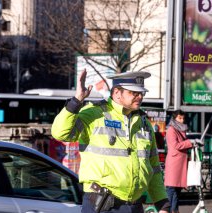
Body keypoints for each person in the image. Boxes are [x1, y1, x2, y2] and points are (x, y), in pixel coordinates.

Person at [51, 70, 170, 213]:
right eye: (134, 93)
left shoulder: (144, 123)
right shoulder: (94, 113)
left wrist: (162, 204)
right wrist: (76, 101)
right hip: (102, 205)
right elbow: (60, 133)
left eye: (141, 93)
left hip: (134, 206)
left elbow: (154, 167)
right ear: (117, 93)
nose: (140, 97)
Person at [164, 110, 200, 213]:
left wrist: (193, 143)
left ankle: (174, 210)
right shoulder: (171, 130)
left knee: (177, 190)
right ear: (174, 118)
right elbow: (176, 145)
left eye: (183, 118)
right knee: (171, 189)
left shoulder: (180, 130)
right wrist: (190, 142)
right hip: (174, 164)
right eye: (179, 118)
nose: (182, 120)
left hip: (180, 164)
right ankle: (168, 210)